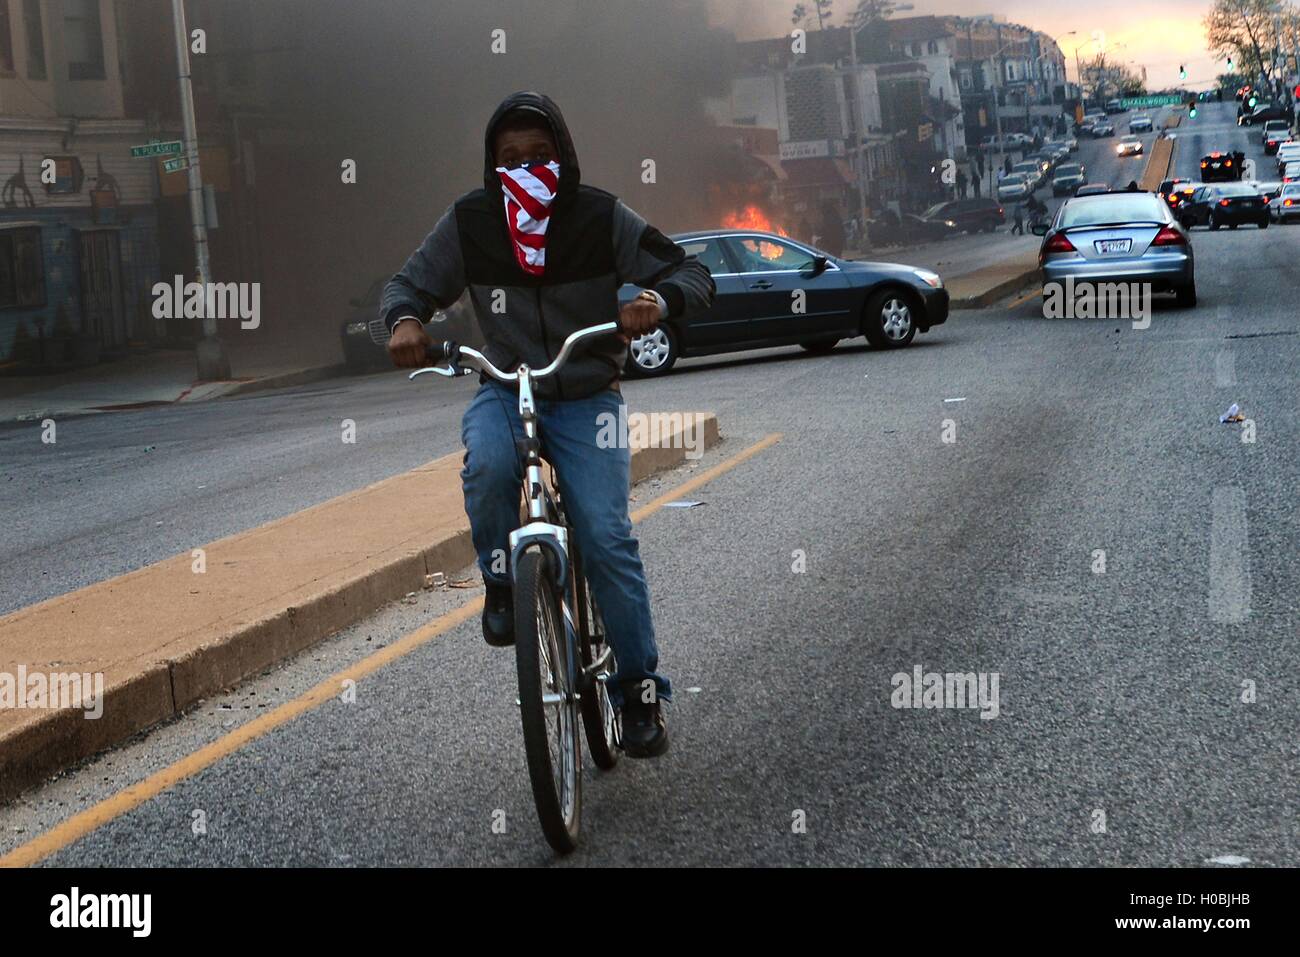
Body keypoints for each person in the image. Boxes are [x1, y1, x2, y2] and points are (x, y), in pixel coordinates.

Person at [382, 92, 715, 757]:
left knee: (606, 535)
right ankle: (502, 581)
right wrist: (405, 322)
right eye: (510, 158)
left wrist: (657, 297)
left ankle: (639, 690)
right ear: (491, 165)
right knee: (487, 468)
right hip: (506, 388)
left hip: (589, 393)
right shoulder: (471, 222)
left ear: (562, 155)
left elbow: (691, 270)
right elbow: (407, 285)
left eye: (540, 155)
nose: (526, 167)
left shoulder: (598, 215)